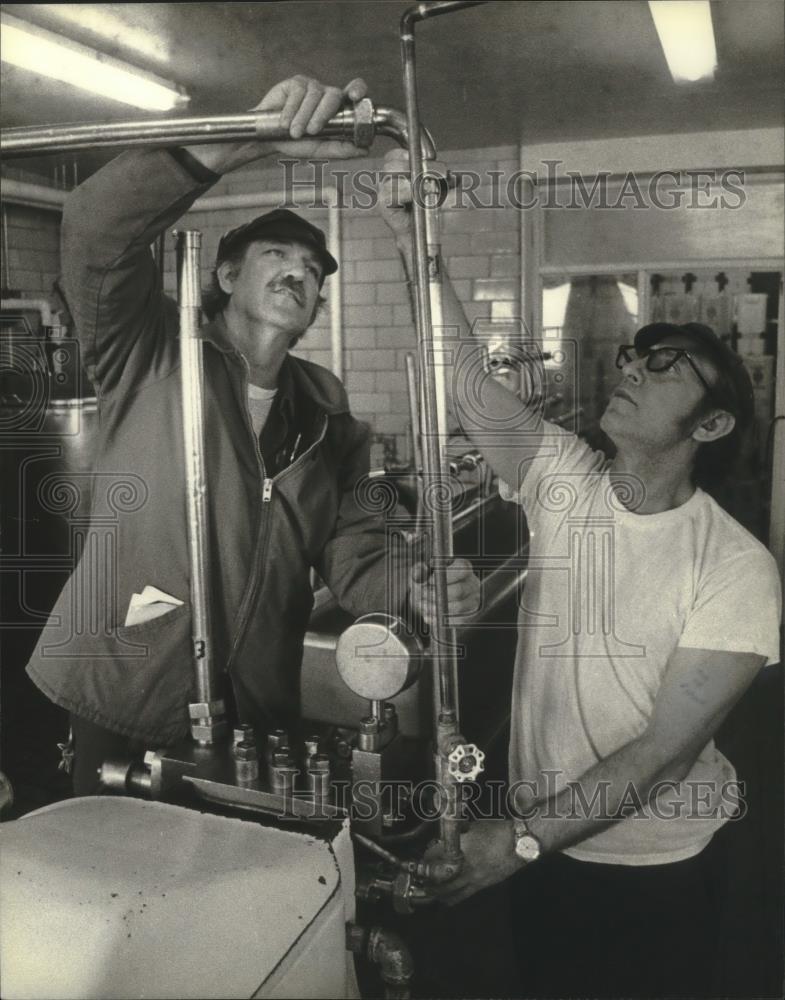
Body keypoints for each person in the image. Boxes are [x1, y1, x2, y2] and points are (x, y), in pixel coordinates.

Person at [377, 148, 782, 997]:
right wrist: (416, 236)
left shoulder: (738, 571)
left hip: (652, 864)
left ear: (709, 427)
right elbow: (463, 382)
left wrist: (516, 842)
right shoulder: (565, 478)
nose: (631, 367)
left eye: (664, 366)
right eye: (636, 357)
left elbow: (662, 759)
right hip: (541, 843)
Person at [26, 77, 480, 797]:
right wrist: (249, 139)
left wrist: (417, 591)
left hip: (255, 713)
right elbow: (93, 226)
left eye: (312, 272)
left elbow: (359, 550)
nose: (299, 271)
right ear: (227, 273)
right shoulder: (151, 352)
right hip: (127, 686)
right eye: (278, 254)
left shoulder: (329, 418)